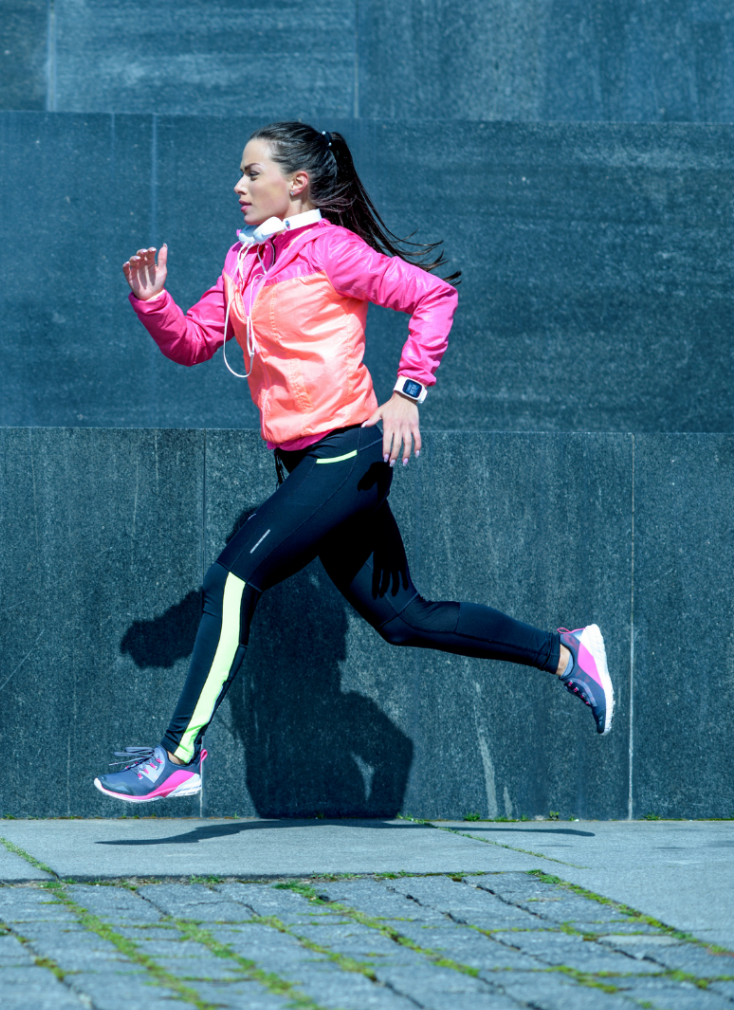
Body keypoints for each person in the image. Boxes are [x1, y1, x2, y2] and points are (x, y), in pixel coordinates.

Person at [94, 122, 613, 804]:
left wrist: (408, 393)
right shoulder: (244, 260)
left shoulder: (331, 250)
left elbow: (434, 296)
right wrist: (153, 301)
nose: (238, 185)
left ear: (297, 183)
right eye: (241, 174)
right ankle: (567, 652)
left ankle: (179, 755)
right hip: (305, 465)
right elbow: (194, 343)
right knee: (403, 618)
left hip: (348, 449)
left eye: (253, 173)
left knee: (231, 577)